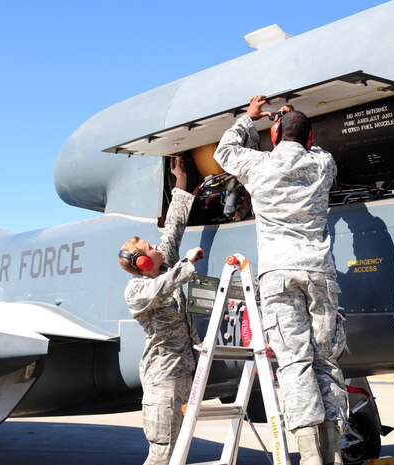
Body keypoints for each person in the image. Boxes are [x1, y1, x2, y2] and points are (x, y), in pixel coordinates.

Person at [213, 96, 348, 465]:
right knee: (326, 361)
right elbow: (308, 144)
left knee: (294, 362)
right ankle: (333, 451)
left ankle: (309, 456)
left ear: (274, 135)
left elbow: (225, 152)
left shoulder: (258, 165)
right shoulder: (322, 163)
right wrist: (292, 122)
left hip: (278, 274)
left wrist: (249, 118)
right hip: (319, 272)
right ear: (310, 137)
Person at [118, 156, 205, 465]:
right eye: (149, 249)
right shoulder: (138, 290)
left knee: (179, 453)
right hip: (163, 382)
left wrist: (180, 180)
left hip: (184, 376)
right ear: (142, 263)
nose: (156, 248)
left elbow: (174, 228)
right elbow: (162, 287)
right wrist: (188, 264)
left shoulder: (164, 266)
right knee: (162, 455)